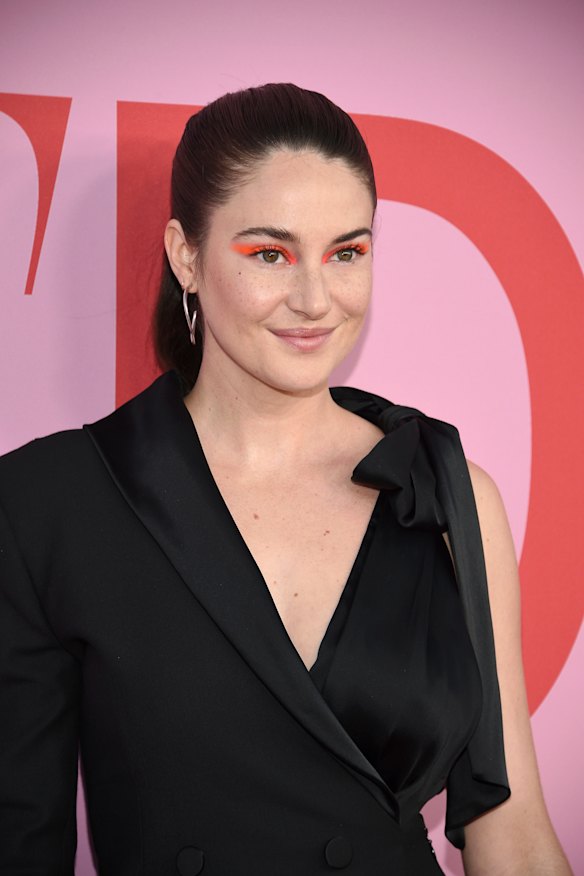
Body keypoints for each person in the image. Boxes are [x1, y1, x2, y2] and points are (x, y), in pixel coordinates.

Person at [0, 83, 572, 876]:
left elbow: (514, 837)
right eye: (270, 254)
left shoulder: (446, 494)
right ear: (186, 256)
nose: (314, 300)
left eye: (347, 252)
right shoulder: (46, 504)